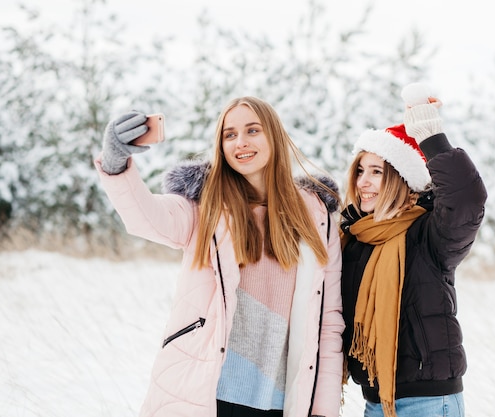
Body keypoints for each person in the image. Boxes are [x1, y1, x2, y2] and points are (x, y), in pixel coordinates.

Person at [94, 96, 344, 417]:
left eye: (253, 130)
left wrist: (323, 410)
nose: (240, 142)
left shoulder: (316, 215)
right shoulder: (205, 206)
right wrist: (117, 166)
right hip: (210, 393)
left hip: (284, 401)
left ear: (275, 137)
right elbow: (147, 217)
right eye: (230, 134)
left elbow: (328, 321)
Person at [339, 83, 487, 417]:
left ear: (401, 179)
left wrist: (430, 135)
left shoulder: (430, 235)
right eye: (360, 170)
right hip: (374, 401)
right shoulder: (353, 239)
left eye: (377, 172)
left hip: (429, 402)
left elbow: (467, 200)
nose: (363, 181)